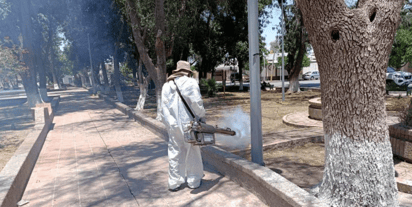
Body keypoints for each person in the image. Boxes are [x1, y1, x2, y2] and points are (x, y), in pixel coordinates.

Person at [161, 60, 205, 191]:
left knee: (175, 152)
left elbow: (163, 108)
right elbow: (197, 103)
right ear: (187, 72)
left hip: (172, 124)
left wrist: (169, 123)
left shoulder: (166, 85)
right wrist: (202, 116)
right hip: (189, 124)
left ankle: (174, 182)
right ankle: (193, 180)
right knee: (192, 151)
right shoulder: (191, 82)